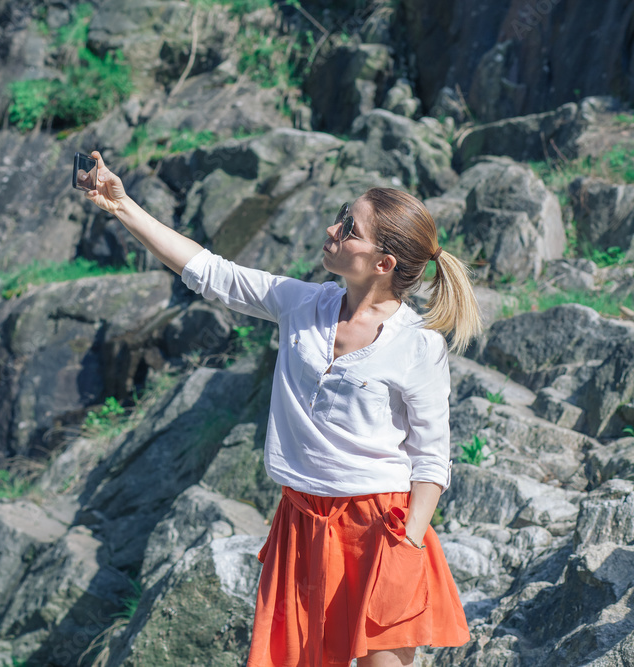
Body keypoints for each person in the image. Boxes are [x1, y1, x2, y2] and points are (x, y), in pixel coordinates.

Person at [81, 149, 478, 666]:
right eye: (341, 215)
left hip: (380, 528)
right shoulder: (302, 303)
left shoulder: (419, 344)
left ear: (383, 264)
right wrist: (122, 206)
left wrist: (408, 544)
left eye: (349, 228)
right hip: (301, 519)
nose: (333, 230)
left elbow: (431, 458)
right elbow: (210, 272)